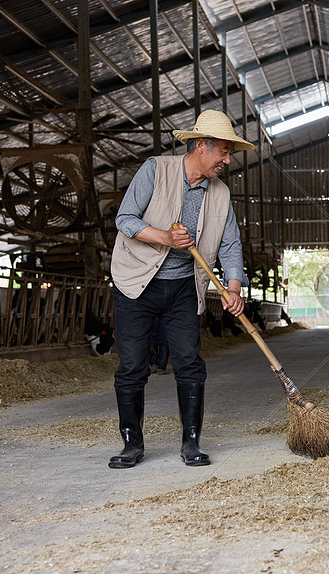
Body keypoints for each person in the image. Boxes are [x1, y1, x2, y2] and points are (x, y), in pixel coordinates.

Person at [108, 110, 252, 469]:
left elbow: (230, 245)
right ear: (200, 146)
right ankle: (132, 443)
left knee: (189, 362)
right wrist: (165, 237)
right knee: (132, 365)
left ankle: (191, 443)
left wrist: (234, 289)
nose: (227, 160)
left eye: (230, 153)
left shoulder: (220, 193)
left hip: (184, 288)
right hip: (136, 283)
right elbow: (124, 219)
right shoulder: (156, 169)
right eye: (223, 151)